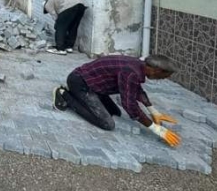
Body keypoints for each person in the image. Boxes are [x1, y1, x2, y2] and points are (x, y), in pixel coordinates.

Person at [52, 54, 181, 147]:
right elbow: (130, 106)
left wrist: (154, 112)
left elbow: (137, 89)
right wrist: (157, 129)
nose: (163, 79)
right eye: (164, 76)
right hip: (81, 83)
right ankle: (64, 95)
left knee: (115, 113)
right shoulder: (131, 72)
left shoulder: (138, 65)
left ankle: (78, 97)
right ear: (157, 70)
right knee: (107, 124)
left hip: (95, 85)